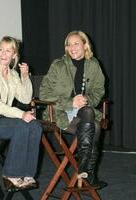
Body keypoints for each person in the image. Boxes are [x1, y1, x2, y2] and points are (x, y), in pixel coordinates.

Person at [39, 30, 107, 189]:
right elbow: (44, 94)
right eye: (69, 44)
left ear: (85, 45)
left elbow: (99, 90)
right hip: (59, 112)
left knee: (89, 114)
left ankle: (84, 170)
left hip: (84, 114)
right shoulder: (58, 65)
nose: (72, 47)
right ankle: (87, 172)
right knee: (93, 122)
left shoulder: (94, 65)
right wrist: (71, 103)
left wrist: (87, 99)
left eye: (76, 43)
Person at [0, 36, 42, 189]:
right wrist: (21, 114)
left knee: (35, 125)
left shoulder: (13, 74)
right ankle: (11, 174)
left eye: (8, 51)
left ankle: (28, 173)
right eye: (1, 50)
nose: (3, 54)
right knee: (22, 125)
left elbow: (25, 98)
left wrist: (25, 77)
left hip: (4, 120)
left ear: (14, 55)